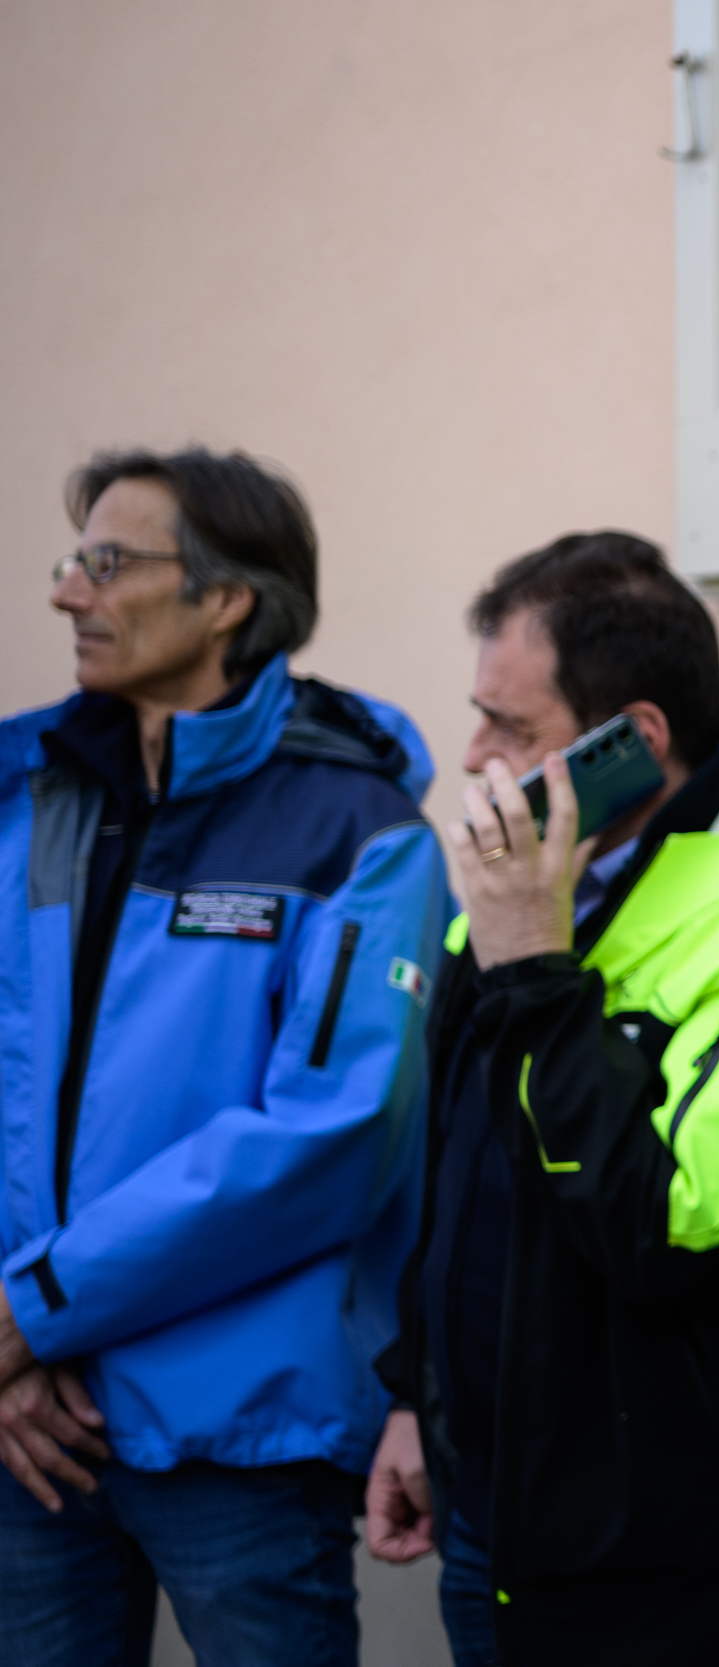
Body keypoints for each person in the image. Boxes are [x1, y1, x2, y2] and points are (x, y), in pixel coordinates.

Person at [362, 533, 719, 1667]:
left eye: (511, 727)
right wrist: (415, 1399)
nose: (474, 755)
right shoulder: (519, 897)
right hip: (482, 1512)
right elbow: (457, 1180)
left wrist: (536, 970)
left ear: (634, 740)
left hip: (646, 1561)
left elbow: (669, 1230)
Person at [0, 448, 447, 1666]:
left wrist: (35, 1307)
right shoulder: (28, 796)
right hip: (28, 1426)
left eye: (108, 562)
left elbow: (332, 1138)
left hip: (240, 1443)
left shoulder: (361, 829)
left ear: (227, 600)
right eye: (74, 559)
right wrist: (12, 1353)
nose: (68, 592)